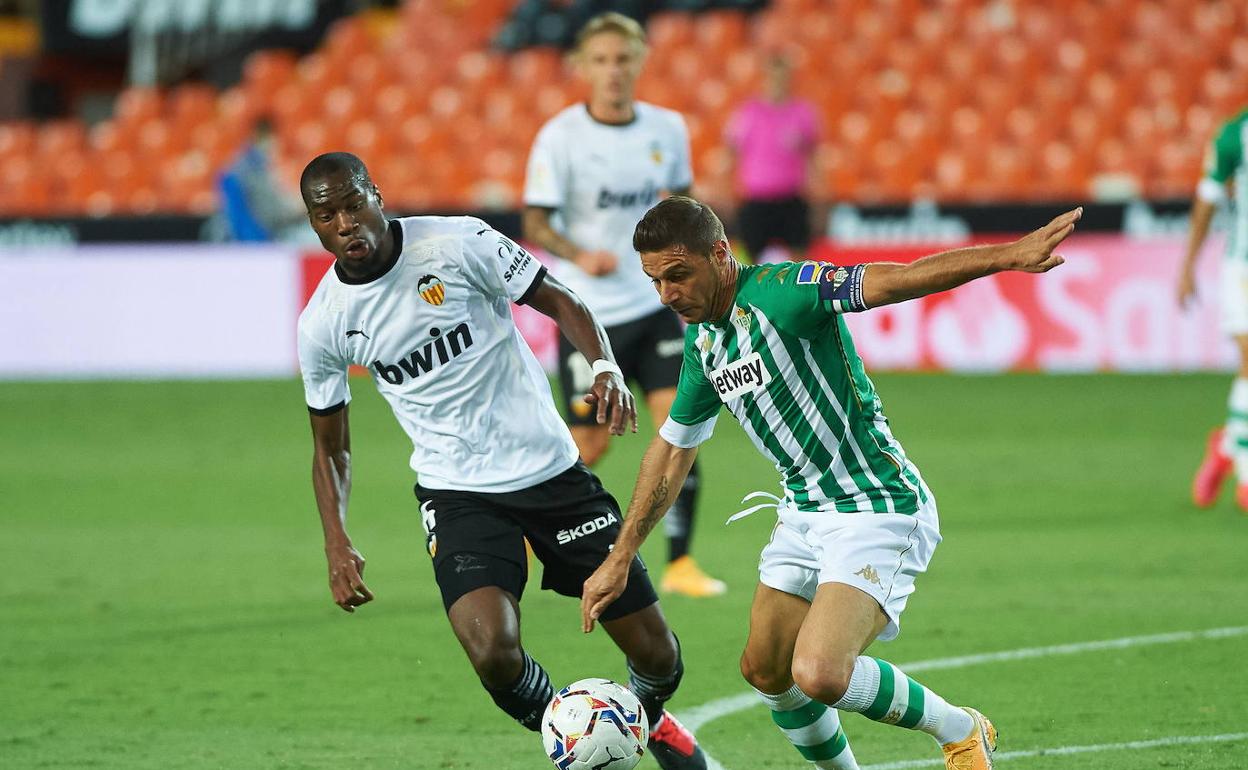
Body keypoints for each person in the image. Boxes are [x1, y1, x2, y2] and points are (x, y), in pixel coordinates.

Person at [582, 196, 1082, 770]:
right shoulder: (704, 343)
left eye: (678, 275)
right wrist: (622, 556)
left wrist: (1009, 255)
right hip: (803, 510)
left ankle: (962, 729)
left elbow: (896, 280)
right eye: (656, 282)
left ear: (719, 254)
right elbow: (671, 451)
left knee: (818, 672)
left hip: (876, 503)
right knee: (765, 670)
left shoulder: (787, 290)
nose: (668, 295)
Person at [297, 152, 708, 770]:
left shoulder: (455, 243)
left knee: (658, 657)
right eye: (327, 216)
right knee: (492, 652)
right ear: (314, 224)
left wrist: (603, 366)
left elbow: (563, 299)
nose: (346, 224)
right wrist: (336, 539)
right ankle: (583, 738)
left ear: (376, 194)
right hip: (456, 492)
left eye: (354, 204)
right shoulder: (324, 322)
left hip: (551, 473)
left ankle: (644, 722)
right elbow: (331, 446)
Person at [523, 12, 726, 598]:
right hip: (588, 315)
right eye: (602, 60)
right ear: (582, 68)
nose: (614, 71)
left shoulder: (666, 129)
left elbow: (683, 203)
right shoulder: (561, 136)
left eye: (624, 59)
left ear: (640, 63)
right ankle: (539, 532)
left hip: (656, 304)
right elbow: (536, 217)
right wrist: (577, 253)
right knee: (591, 443)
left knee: (679, 427)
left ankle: (680, 562)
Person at [1177, 106, 1248, 512]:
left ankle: (1226, 446)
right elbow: (1207, 201)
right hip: (1243, 265)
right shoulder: (1234, 136)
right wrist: (1187, 266)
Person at [724, 51, 819, 263]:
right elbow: (732, 155)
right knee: (747, 263)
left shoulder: (803, 112)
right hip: (756, 199)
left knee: (801, 262)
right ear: (765, 77)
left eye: (783, 76)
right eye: (774, 76)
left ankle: (799, 297)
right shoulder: (748, 113)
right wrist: (728, 193)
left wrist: (820, 195)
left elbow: (813, 157)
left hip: (791, 198)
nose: (778, 81)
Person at [216, 118, 307, 242]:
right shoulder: (251, 170)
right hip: (258, 239)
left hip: (247, 237)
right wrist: (302, 207)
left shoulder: (240, 165)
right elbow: (273, 211)